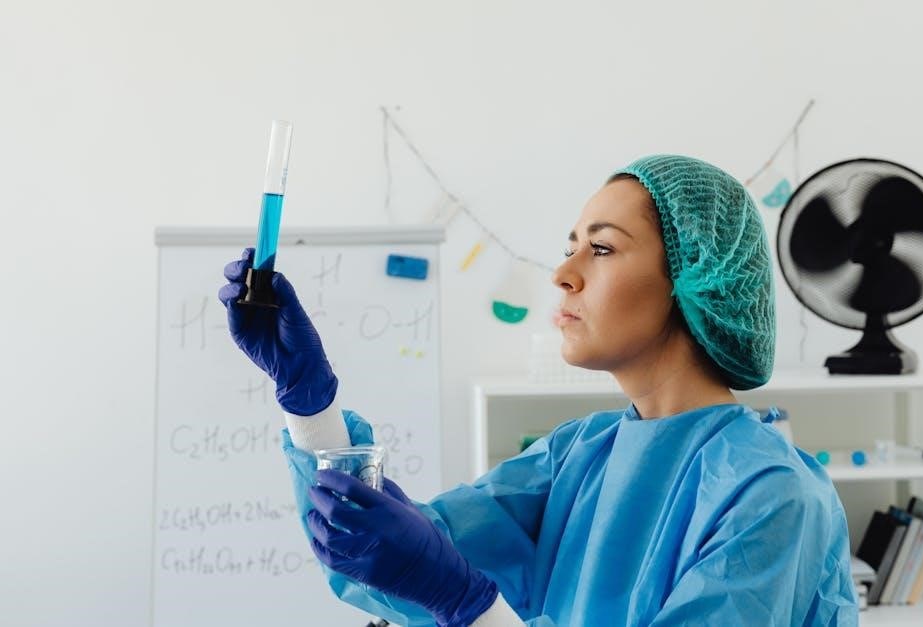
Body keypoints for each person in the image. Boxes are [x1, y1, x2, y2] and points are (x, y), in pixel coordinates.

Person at [218, 154, 858, 626]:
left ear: (693, 274)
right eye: (570, 247)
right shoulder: (578, 456)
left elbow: (446, 582)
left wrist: (465, 601)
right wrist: (309, 401)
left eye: (601, 249)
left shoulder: (773, 497)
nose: (562, 274)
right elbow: (379, 557)